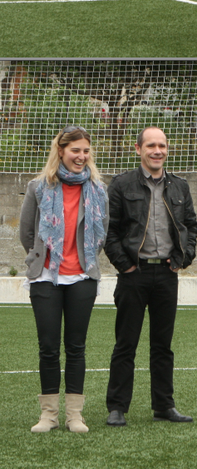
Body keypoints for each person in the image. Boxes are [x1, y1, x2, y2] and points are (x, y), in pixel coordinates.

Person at [104, 126, 197, 428]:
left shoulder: (179, 186)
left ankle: (164, 405)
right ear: (138, 149)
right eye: (151, 146)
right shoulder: (121, 184)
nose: (157, 151)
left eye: (162, 146)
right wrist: (125, 265)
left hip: (167, 275)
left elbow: (192, 226)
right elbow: (110, 230)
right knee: (125, 343)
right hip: (135, 274)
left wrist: (183, 259)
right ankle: (117, 407)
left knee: (162, 345)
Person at [19, 126, 108, 433]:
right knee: (48, 347)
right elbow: (27, 233)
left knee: (76, 346)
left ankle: (74, 416)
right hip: (45, 278)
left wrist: (83, 259)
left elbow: (101, 233)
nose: (81, 157)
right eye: (75, 151)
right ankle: (48, 415)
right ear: (61, 151)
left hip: (82, 277)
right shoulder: (39, 187)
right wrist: (45, 258)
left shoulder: (98, 189)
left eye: (85, 151)